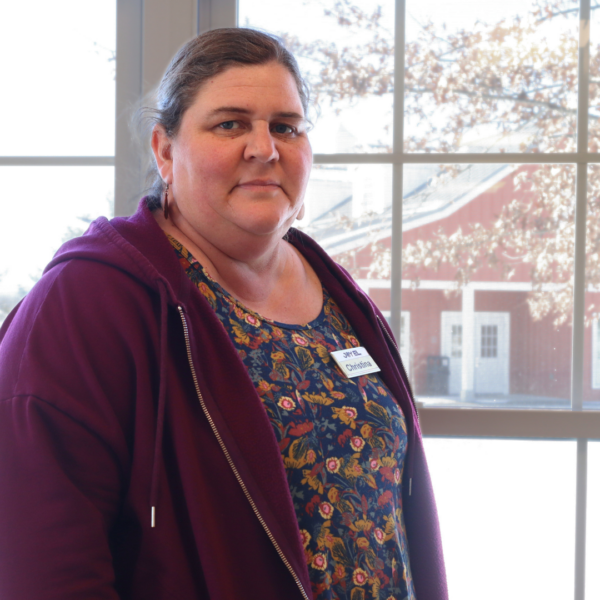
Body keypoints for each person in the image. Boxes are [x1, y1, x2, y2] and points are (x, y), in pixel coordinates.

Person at [0, 28, 447, 600]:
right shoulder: (86, 304)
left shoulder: (340, 295)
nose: (265, 148)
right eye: (230, 124)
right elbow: (42, 567)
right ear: (165, 151)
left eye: (286, 127)